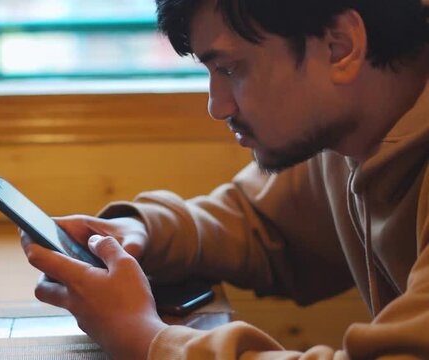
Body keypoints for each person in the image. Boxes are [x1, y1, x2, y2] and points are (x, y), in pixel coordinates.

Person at [21, 0, 429, 358]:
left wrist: (145, 337)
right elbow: (265, 226)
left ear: (340, 46)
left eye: (230, 69)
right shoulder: (353, 132)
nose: (217, 106)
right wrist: (146, 231)